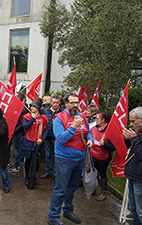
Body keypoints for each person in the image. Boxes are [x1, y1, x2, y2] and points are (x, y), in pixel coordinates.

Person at [48, 93, 93, 225]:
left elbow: (88, 131)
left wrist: (90, 140)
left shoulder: (82, 116)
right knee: (60, 189)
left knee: (72, 188)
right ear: (66, 104)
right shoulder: (59, 118)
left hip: (79, 158)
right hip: (64, 159)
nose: (75, 105)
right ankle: (53, 217)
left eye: (77, 102)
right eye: (72, 102)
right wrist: (73, 127)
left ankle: (68, 211)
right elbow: (60, 138)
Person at [22, 100, 48, 189]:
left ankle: (34, 176)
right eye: (31, 106)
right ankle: (27, 177)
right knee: (28, 161)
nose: (31, 108)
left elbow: (45, 130)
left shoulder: (43, 118)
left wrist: (42, 139)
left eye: (33, 106)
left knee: (36, 162)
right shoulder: (27, 116)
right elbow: (25, 126)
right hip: (28, 142)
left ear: (38, 108)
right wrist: (32, 119)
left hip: (38, 142)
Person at [90, 112, 116, 201]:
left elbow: (113, 147)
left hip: (103, 157)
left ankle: (104, 192)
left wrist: (104, 145)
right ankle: (93, 189)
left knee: (102, 174)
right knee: (93, 173)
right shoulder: (93, 129)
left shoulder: (110, 131)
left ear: (103, 120)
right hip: (93, 155)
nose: (95, 120)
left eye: (97, 118)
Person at [41, 95, 64, 179]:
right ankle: (48, 171)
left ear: (59, 103)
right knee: (48, 155)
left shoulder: (62, 112)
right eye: (53, 102)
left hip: (57, 138)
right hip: (48, 136)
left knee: (57, 156)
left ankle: (56, 173)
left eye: (57, 103)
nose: (55, 104)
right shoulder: (45, 111)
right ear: (51, 102)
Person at [8, 93, 28, 173]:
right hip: (13, 131)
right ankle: (10, 163)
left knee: (17, 149)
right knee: (9, 147)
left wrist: (14, 130)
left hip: (17, 132)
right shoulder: (17, 108)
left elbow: (22, 123)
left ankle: (16, 165)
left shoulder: (23, 109)